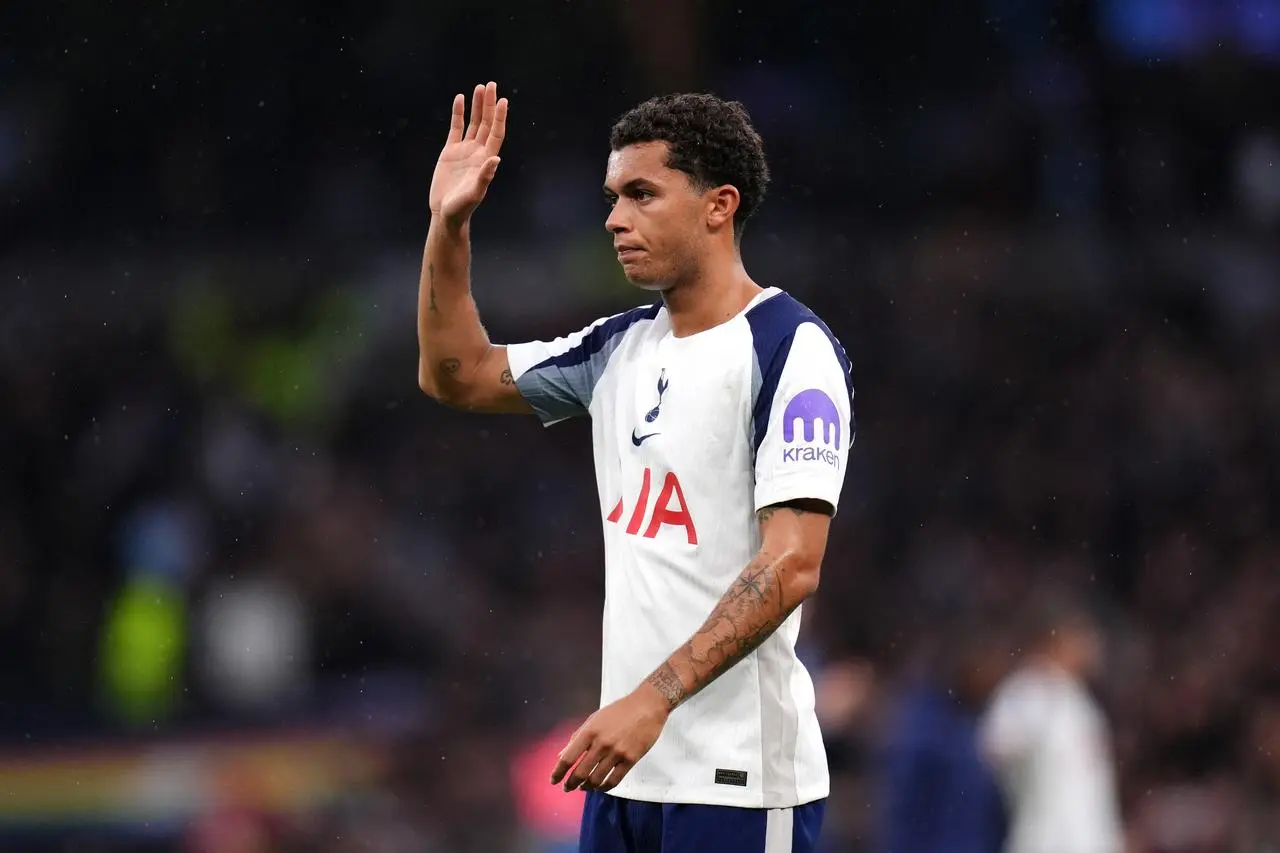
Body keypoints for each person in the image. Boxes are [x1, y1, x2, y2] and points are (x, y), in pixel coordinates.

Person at [417, 81, 854, 853]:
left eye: (642, 194)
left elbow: (791, 565)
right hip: (625, 773)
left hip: (738, 782)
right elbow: (455, 373)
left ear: (718, 205)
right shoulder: (617, 348)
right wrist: (448, 226)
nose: (615, 218)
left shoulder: (790, 348)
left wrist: (653, 699)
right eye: (613, 197)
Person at [978, 589, 1123, 853]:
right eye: (1083, 635)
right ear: (1056, 637)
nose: (1092, 645)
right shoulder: (1025, 693)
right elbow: (993, 752)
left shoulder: (1078, 701)